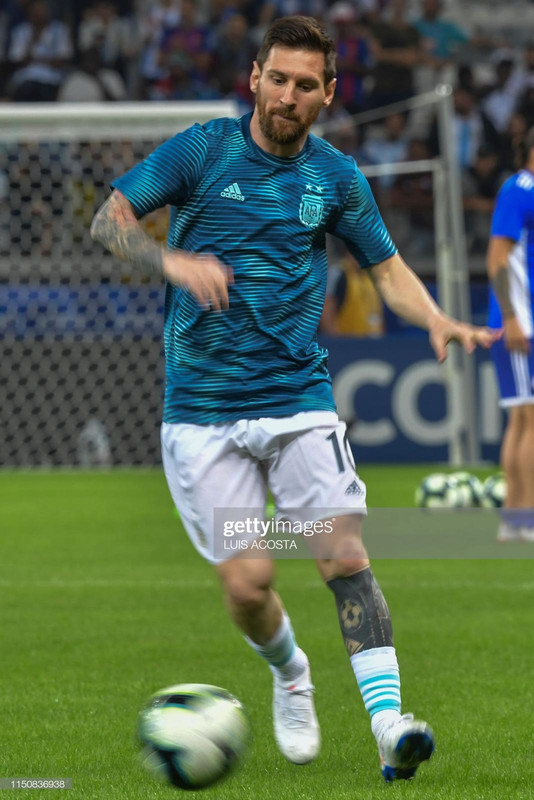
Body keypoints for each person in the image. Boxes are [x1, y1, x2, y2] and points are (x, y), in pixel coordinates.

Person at [91, 15, 498, 782]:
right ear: (254, 78)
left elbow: (386, 270)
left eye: (305, 85)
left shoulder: (336, 177)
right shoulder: (202, 151)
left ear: (328, 94)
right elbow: (108, 219)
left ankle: (389, 725)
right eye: (276, 79)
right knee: (249, 586)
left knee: (343, 554)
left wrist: (436, 318)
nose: (287, 95)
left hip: (298, 399)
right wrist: (171, 261)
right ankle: (290, 672)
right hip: (202, 412)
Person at [486, 128, 534, 543]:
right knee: (527, 419)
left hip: (524, 321)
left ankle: (515, 519)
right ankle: (525, 517)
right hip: (521, 324)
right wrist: (511, 316)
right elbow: (497, 258)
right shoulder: (519, 190)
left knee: (521, 419)